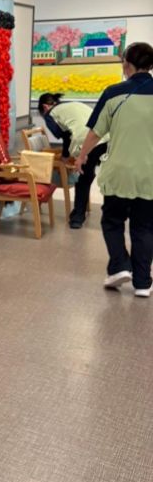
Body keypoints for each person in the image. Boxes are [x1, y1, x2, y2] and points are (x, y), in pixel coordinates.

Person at [76, 41, 153, 297]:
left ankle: (119, 266)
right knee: (145, 227)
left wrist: (81, 157)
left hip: (119, 172)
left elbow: (95, 133)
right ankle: (142, 283)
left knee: (112, 220)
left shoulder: (113, 93)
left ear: (126, 64)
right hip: (150, 175)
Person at [37, 92, 108, 228]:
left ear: (45, 107)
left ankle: (77, 217)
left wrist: (64, 158)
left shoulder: (50, 113)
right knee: (107, 176)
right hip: (106, 137)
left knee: (83, 178)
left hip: (86, 141)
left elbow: (65, 136)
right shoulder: (74, 104)